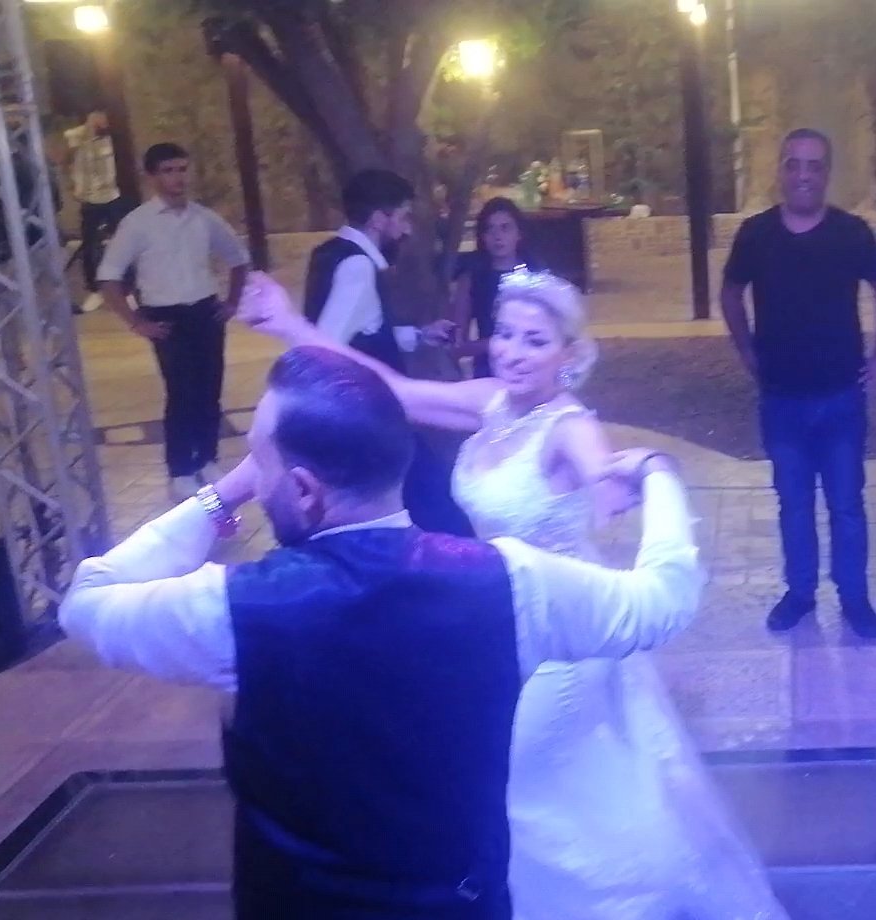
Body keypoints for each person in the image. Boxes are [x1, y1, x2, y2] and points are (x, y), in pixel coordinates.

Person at [60, 343, 706, 919]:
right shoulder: (513, 582)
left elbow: (87, 600)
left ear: (305, 490)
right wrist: (658, 474)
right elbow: (663, 600)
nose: (256, 477)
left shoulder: (235, 609)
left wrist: (219, 497)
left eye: (259, 460)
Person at [239, 271, 785, 919]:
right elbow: (391, 389)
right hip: (498, 619)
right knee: (525, 789)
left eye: (534, 340)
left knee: (511, 778)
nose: (513, 352)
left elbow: (599, 467)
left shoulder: (568, 426)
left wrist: (614, 481)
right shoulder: (491, 404)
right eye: (504, 335)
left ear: (568, 355)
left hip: (561, 640)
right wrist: (291, 326)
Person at [722, 128, 876, 638]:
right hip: (781, 400)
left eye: (814, 165)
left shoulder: (851, 233)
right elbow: (731, 293)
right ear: (781, 170)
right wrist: (746, 350)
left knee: (846, 505)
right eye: (794, 163)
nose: (803, 174)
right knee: (794, 504)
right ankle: (800, 594)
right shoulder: (755, 234)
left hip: (841, 398)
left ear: (827, 173)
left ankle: (854, 597)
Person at [304, 168, 472, 537]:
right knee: (436, 505)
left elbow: (362, 331)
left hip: (363, 417)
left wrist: (420, 334)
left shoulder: (329, 253)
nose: (406, 229)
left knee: (418, 504)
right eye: (403, 216)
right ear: (379, 219)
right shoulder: (359, 267)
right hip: (370, 418)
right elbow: (322, 347)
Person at [97, 142, 252, 501]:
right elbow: (109, 277)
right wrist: (135, 321)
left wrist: (231, 301)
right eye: (168, 171)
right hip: (166, 317)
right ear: (152, 177)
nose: (178, 178)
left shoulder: (204, 218)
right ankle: (181, 469)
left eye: (182, 169)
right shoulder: (138, 224)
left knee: (210, 389)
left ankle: (208, 459)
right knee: (181, 393)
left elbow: (238, 258)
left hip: (205, 311)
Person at [450, 197, 528, 378]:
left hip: (531, 369)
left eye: (505, 228)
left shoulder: (535, 274)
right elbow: (457, 345)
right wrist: (496, 343)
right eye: (490, 229)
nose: (497, 236)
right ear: (482, 236)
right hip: (489, 372)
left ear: (519, 233)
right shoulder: (472, 278)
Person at [63, 110, 134, 296]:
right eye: (100, 120)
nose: (104, 124)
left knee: (122, 239)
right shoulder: (79, 140)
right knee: (90, 242)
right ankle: (93, 284)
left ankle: (127, 281)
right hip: (90, 199)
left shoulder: (109, 139)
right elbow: (68, 151)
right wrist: (87, 131)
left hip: (111, 196)